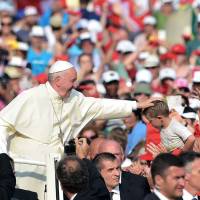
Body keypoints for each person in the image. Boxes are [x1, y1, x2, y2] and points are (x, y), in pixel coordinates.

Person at [0, 60, 153, 199]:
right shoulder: (31, 97)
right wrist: (2, 155)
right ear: (58, 80)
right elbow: (2, 123)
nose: (75, 85)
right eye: (72, 80)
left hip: (56, 170)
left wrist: (135, 105)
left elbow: (101, 106)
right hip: (27, 169)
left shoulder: (74, 98)